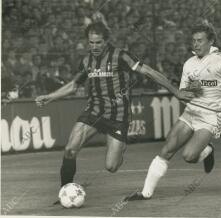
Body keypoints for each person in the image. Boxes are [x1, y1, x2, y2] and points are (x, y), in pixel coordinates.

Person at [35, 22, 196, 196]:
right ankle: (64, 191)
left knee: (111, 167)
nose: (94, 46)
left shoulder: (121, 56)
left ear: (106, 41)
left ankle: (120, 148)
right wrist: (50, 97)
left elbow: (149, 72)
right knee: (70, 149)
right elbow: (74, 85)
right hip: (94, 112)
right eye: (91, 43)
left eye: (98, 42)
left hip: (118, 117)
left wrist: (175, 91)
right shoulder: (86, 60)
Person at [125, 21, 221, 201]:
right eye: (193, 40)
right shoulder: (189, 63)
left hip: (210, 117)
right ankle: (145, 193)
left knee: (189, 156)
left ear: (210, 41)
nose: (195, 44)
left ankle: (207, 151)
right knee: (166, 150)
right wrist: (189, 91)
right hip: (190, 111)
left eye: (200, 40)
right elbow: (185, 92)